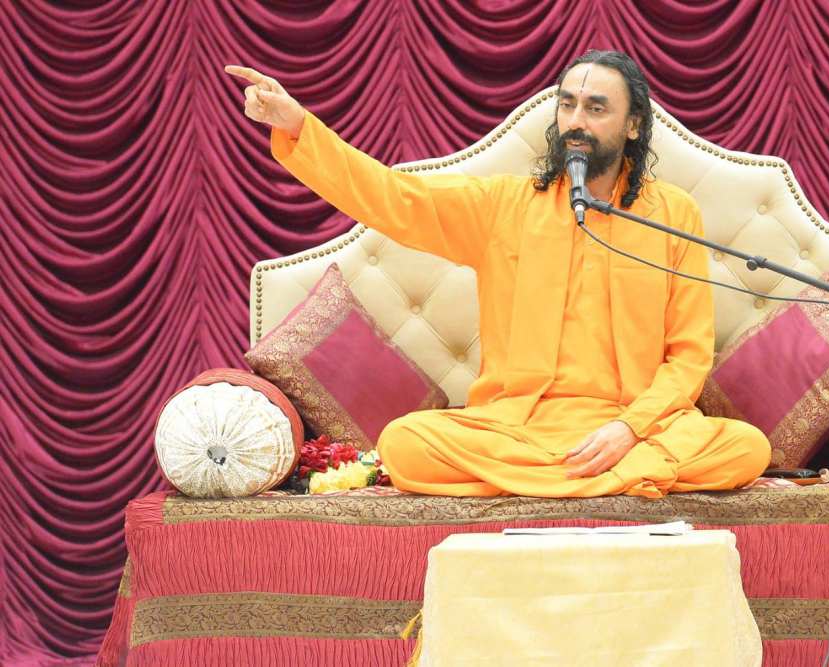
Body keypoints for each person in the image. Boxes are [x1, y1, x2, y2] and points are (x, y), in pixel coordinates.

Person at [226, 50, 769, 498]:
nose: (576, 122)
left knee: (746, 448)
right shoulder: (505, 206)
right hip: (518, 427)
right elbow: (394, 198)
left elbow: (688, 357)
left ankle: (554, 480)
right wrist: (298, 127)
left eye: (596, 108)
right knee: (405, 444)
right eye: (568, 105)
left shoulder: (672, 215)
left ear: (632, 125)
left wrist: (629, 429)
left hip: (631, 425)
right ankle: (609, 481)